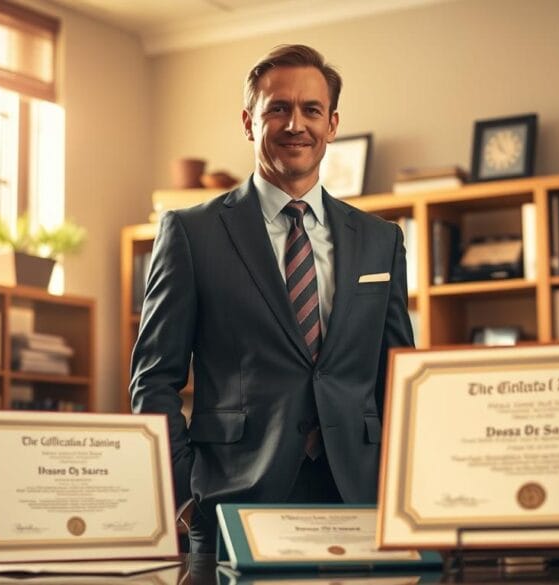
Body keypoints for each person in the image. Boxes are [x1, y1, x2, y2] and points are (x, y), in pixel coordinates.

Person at [129, 44, 414, 553]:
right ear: (248, 121)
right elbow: (154, 379)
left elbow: (396, 373)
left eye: (311, 110)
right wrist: (186, 496)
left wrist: (398, 490)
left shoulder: (381, 240)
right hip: (233, 498)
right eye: (277, 108)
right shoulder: (191, 233)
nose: (294, 124)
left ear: (332, 123)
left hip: (359, 498)